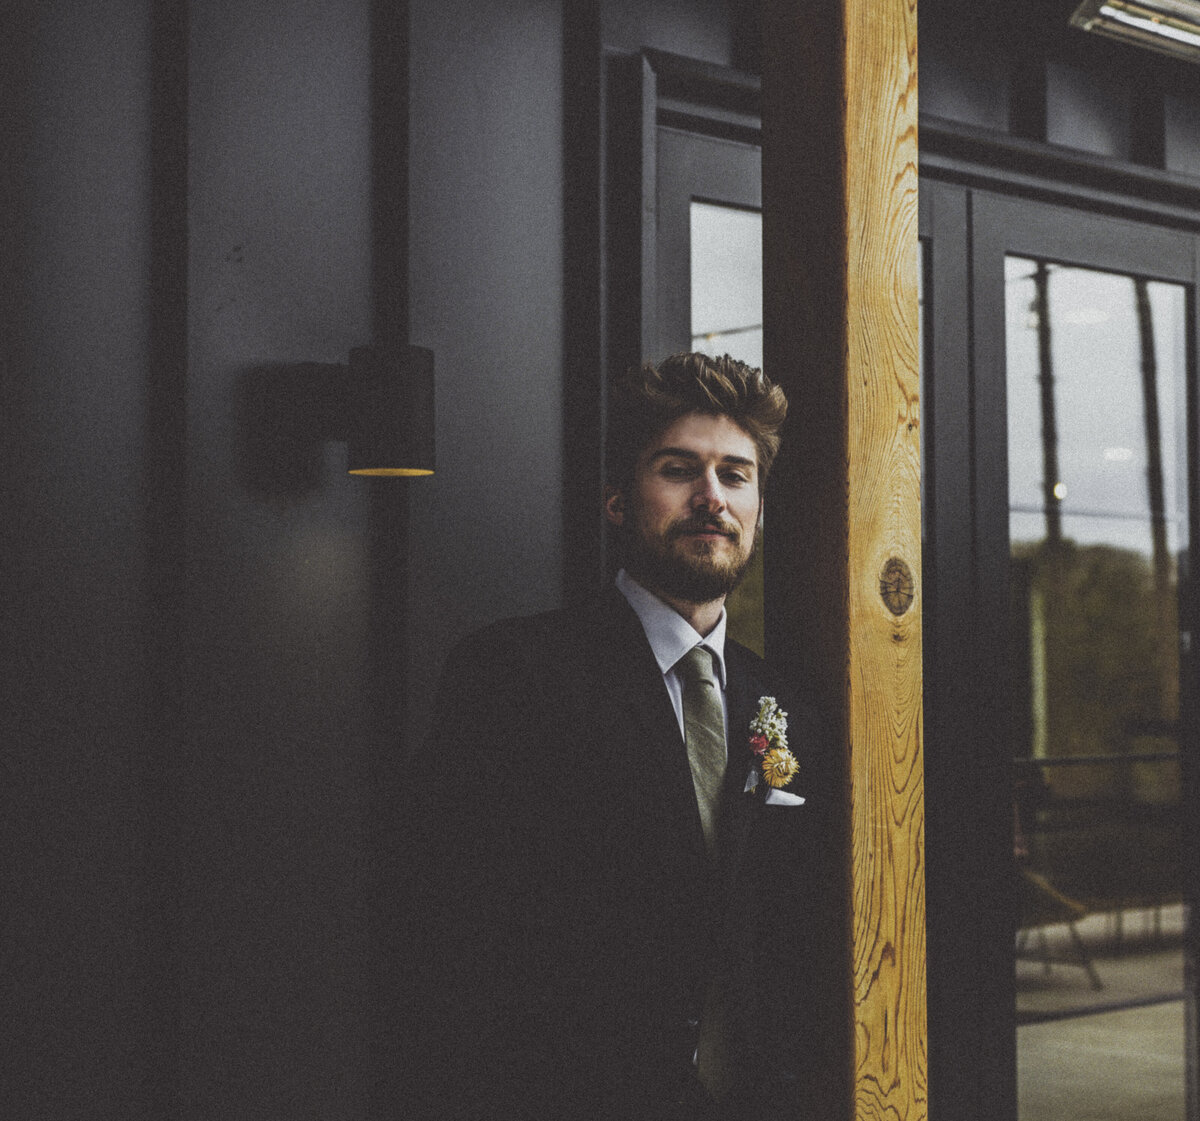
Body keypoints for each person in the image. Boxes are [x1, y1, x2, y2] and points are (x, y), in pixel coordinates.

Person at [401, 353, 826, 1120]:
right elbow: (453, 931)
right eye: (678, 469)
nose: (711, 497)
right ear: (617, 499)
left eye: (735, 475)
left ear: (759, 507)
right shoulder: (513, 672)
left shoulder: (784, 701)